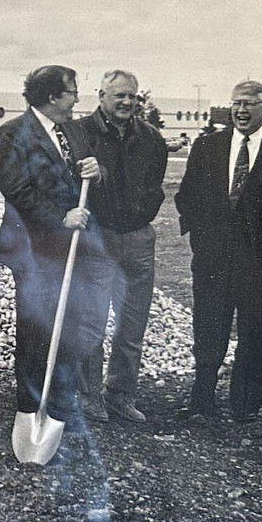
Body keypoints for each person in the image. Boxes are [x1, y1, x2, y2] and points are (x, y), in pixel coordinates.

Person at [175, 80, 262, 422]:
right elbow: (186, 196)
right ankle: (202, 402)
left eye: (251, 104)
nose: (242, 110)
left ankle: (245, 405)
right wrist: (200, 237)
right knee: (209, 327)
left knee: (259, 331)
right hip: (213, 259)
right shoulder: (207, 147)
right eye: (237, 103)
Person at [0, 65, 109, 424]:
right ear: (53, 96)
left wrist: (96, 172)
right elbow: (16, 188)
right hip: (33, 250)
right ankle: (29, 407)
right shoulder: (13, 133)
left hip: (73, 249)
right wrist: (60, 219)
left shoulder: (72, 131)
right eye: (72, 92)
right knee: (36, 328)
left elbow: (86, 181)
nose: (77, 98)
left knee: (68, 325)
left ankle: (59, 404)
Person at [65, 70, 168, 423]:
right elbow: (65, 181)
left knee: (132, 323)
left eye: (132, 97)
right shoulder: (79, 132)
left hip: (139, 239)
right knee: (91, 320)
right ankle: (89, 396)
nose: (126, 102)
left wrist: (142, 215)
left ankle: (121, 395)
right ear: (101, 95)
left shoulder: (151, 137)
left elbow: (155, 186)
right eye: (118, 95)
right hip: (99, 236)